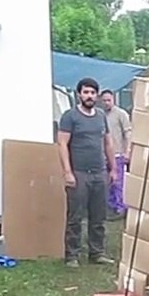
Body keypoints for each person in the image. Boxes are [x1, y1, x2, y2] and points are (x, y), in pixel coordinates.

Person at [57, 77, 117, 268]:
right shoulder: (70, 116)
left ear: (97, 96)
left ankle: (96, 253)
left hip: (99, 173)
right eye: (86, 92)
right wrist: (67, 172)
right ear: (79, 95)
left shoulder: (101, 116)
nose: (89, 96)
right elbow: (62, 144)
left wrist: (113, 168)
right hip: (79, 173)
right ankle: (72, 255)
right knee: (75, 216)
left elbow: (108, 143)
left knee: (98, 216)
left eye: (92, 93)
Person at [100, 88, 131, 219]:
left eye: (109, 100)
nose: (106, 103)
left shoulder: (121, 114)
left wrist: (127, 151)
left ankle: (121, 209)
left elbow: (128, 133)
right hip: (102, 155)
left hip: (118, 154)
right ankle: (110, 208)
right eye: (104, 100)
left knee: (118, 182)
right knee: (107, 183)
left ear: (113, 99)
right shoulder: (99, 115)